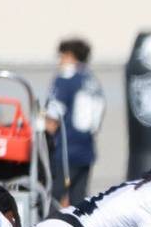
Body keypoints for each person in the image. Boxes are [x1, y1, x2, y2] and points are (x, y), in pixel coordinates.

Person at [44, 38, 105, 206]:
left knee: (53, 200)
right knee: (79, 202)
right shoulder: (91, 79)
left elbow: (53, 116)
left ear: (70, 55)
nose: (60, 61)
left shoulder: (65, 78)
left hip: (65, 150)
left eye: (62, 56)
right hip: (86, 149)